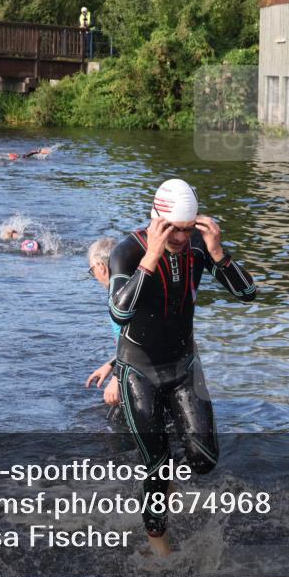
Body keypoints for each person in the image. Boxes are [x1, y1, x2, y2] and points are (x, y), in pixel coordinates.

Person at [108, 179, 256, 555]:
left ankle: (158, 486)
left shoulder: (196, 247)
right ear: (157, 221)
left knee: (204, 460)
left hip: (183, 366)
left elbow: (247, 294)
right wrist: (151, 259)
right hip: (138, 370)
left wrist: (218, 252)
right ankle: (159, 544)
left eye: (188, 229)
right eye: (173, 229)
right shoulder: (127, 252)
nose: (181, 237)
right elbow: (119, 311)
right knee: (157, 466)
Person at [85, 237, 122, 414]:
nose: (95, 276)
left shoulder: (120, 297)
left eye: (92, 270)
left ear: (101, 267)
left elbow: (138, 339)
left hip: (141, 371)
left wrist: (116, 379)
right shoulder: (127, 286)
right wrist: (110, 364)